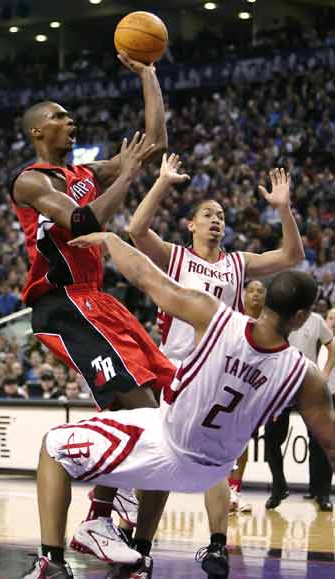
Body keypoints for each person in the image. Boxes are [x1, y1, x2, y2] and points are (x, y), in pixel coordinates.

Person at [22, 231, 335, 579]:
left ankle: (53, 560)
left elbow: (147, 276)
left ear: (264, 299)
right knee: (150, 430)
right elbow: (331, 445)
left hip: (167, 444)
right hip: (214, 472)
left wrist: (111, 239)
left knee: (54, 446)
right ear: (303, 317)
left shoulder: (217, 318)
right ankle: (139, 554)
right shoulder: (307, 376)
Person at [11, 53, 176, 570]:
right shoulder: (32, 181)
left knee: (153, 408)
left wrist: (149, 74)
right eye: (60, 116)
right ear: (39, 129)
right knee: (137, 408)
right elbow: (85, 222)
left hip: (96, 300)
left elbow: (156, 144)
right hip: (62, 304)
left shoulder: (82, 170)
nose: (70, 121)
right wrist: (124, 177)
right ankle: (96, 519)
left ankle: (101, 512)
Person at [127, 156, 304, 531]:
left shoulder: (238, 264)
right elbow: (137, 230)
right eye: (208, 214)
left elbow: (292, 256)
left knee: (216, 464)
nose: (216, 219)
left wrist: (284, 210)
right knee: (157, 459)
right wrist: (161, 182)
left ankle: (218, 543)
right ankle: (136, 530)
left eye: (221, 215)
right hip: (172, 369)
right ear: (191, 224)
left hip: (214, 373)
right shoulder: (175, 257)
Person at [264, 307, 335, 510]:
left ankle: (322, 494)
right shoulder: (278, 317)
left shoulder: (316, 320)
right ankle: (279, 486)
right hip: (280, 387)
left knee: (322, 440)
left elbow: (332, 347)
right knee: (271, 438)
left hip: (308, 387)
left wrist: (324, 373)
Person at [228, 280, 266, 512]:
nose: (254, 295)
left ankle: (235, 490)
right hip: (229, 385)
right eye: (250, 290)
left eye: (259, 292)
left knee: (244, 442)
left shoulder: (270, 324)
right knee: (224, 442)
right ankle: (224, 491)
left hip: (254, 390)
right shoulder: (234, 319)